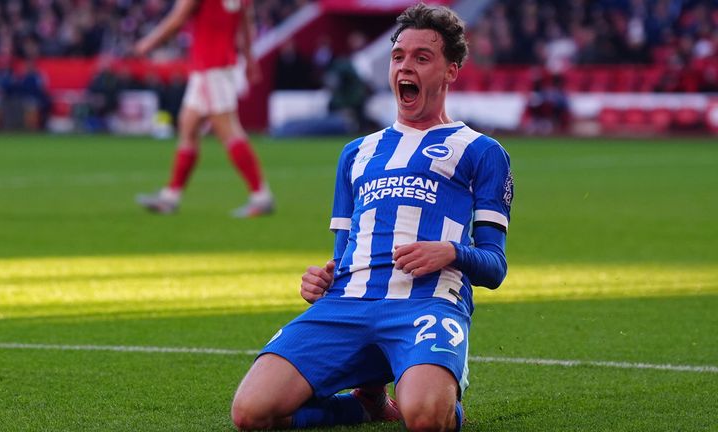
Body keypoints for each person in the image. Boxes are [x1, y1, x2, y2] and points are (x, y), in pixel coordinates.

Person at [231, 3, 513, 431]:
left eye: (422, 57)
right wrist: (323, 279)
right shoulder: (356, 152)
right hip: (347, 304)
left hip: (427, 303)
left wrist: (451, 252)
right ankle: (365, 405)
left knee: (424, 419)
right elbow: (340, 256)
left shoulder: (481, 151)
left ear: (451, 71)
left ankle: (443, 393)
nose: (405, 66)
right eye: (399, 56)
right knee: (250, 414)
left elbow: (495, 266)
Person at [133, 0, 274, 217]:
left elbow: (177, 19)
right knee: (187, 126)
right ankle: (171, 196)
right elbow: (246, 24)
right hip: (219, 65)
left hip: (210, 66)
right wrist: (249, 59)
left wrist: (148, 43)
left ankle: (260, 196)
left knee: (228, 130)